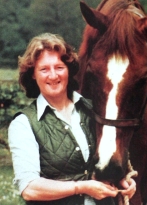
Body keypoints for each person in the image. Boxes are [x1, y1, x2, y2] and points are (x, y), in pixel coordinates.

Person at [8, 33, 136, 205]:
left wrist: (122, 181)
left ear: (69, 69)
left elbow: (105, 160)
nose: (53, 76)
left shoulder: (94, 111)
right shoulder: (23, 124)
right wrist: (81, 187)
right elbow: (30, 188)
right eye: (44, 69)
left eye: (59, 67)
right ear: (33, 74)